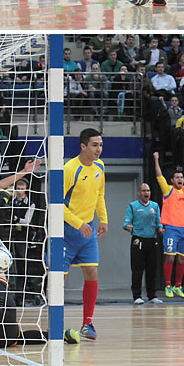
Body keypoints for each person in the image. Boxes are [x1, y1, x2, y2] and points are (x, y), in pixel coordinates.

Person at [63, 127, 107, 338]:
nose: (99, 149)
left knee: (92, 273)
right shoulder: (70, 169)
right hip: (65, 231)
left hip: (87, 232)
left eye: (100, 144)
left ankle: (87, 324)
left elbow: (100, 195)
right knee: (58, 278)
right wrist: (78, 223)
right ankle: (55, 324)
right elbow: (56, 204)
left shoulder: (100, 166)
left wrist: (104, 219)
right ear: (83, 146)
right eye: (94, 145)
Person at [153, 149, 184, 298]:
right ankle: (167, 285)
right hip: (171, 229)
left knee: (183, 259)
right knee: (170, 257)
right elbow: (159, 176)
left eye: (181, 177)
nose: (180, 179)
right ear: (172, 180)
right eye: (177, 177)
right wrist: (156, 160)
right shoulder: (168, 190)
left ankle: (178, 286)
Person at [122, 182, 162, 303]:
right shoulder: (133, 206)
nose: (146, 193)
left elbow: (159, 221)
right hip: (138, 240)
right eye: (144, 191)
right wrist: (128, 226)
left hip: (152, 240)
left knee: (152, 268)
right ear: (139, 193)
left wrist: (160, 228)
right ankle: (137, 296)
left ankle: (152, 295)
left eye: (148, 191)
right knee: (137, 269)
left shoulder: (155, 206)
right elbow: (126, 223)